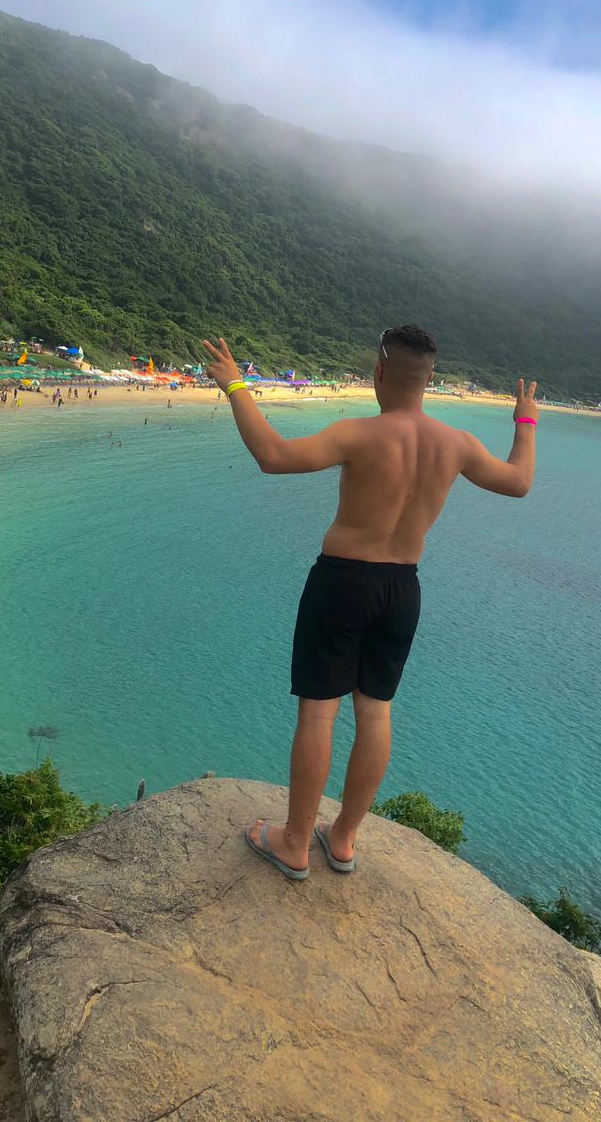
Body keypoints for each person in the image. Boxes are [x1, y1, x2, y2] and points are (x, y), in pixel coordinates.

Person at [202, 326, 539, 880]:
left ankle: (294, 843)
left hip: (342, 581)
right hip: (402, 589)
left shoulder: (359, 434)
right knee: (375, 710)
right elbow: (519, 481)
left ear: (379, 371)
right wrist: (525, 420)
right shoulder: (456, 444)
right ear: (429, 379)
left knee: (319, 710)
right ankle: (342, 840)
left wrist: (236, 385)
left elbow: (272, 455)